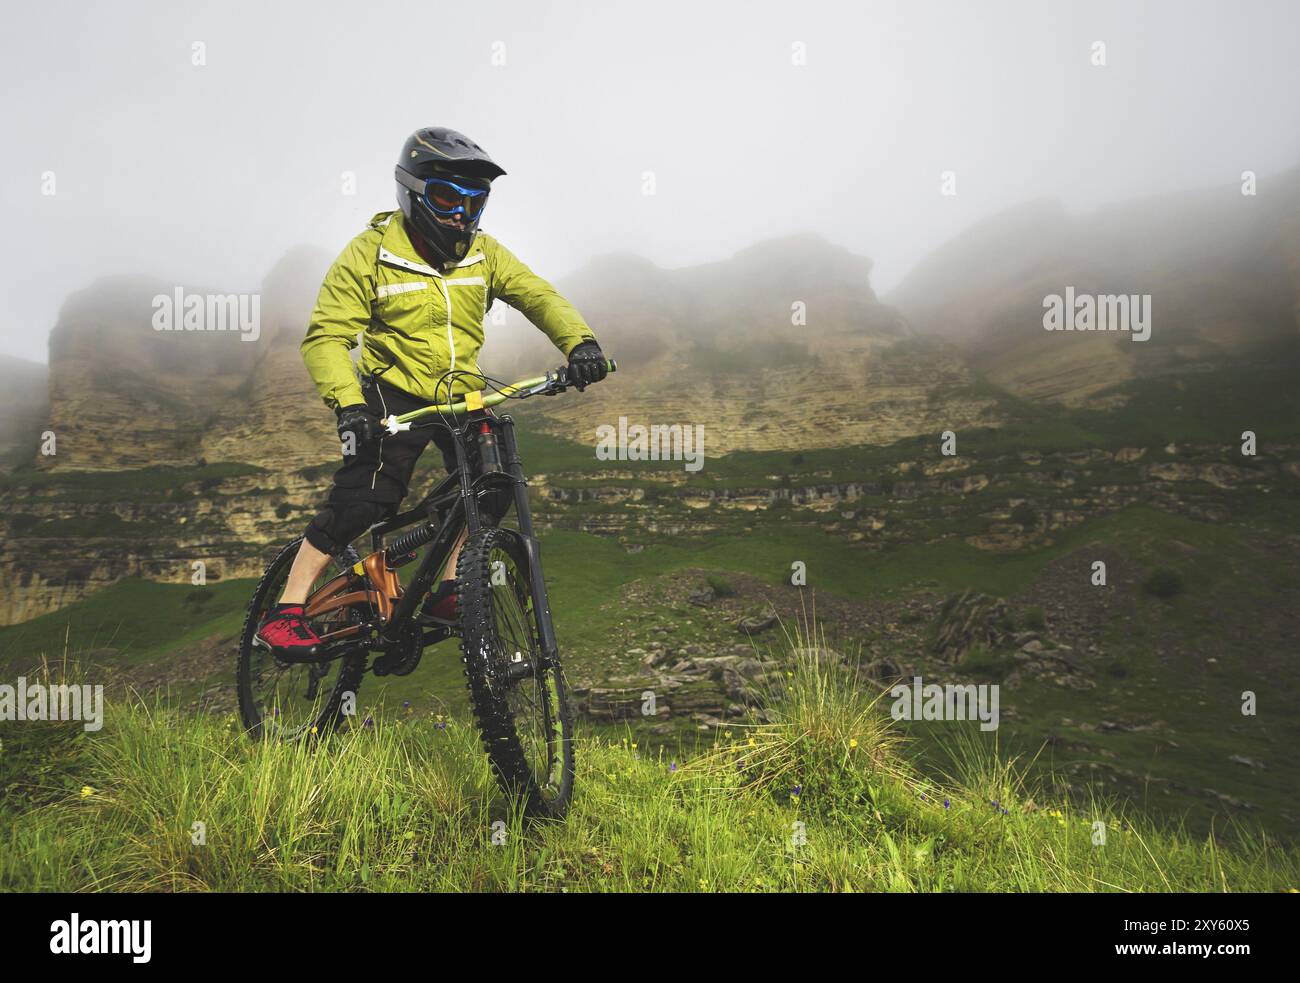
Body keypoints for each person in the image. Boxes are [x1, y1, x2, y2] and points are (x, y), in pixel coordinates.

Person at [256, 126, 608, 654]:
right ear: (412, 191)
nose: (461, 214)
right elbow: (327, 337)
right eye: (447, 198)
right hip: (390, 394)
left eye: (475, 200)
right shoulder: (369, 254)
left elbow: (537, 295)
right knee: (366, 498)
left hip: (462, 393)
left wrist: (579, 344)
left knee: (493, 487)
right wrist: (348, 404)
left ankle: (448, 588)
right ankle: (286, 609)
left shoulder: (484, 254)